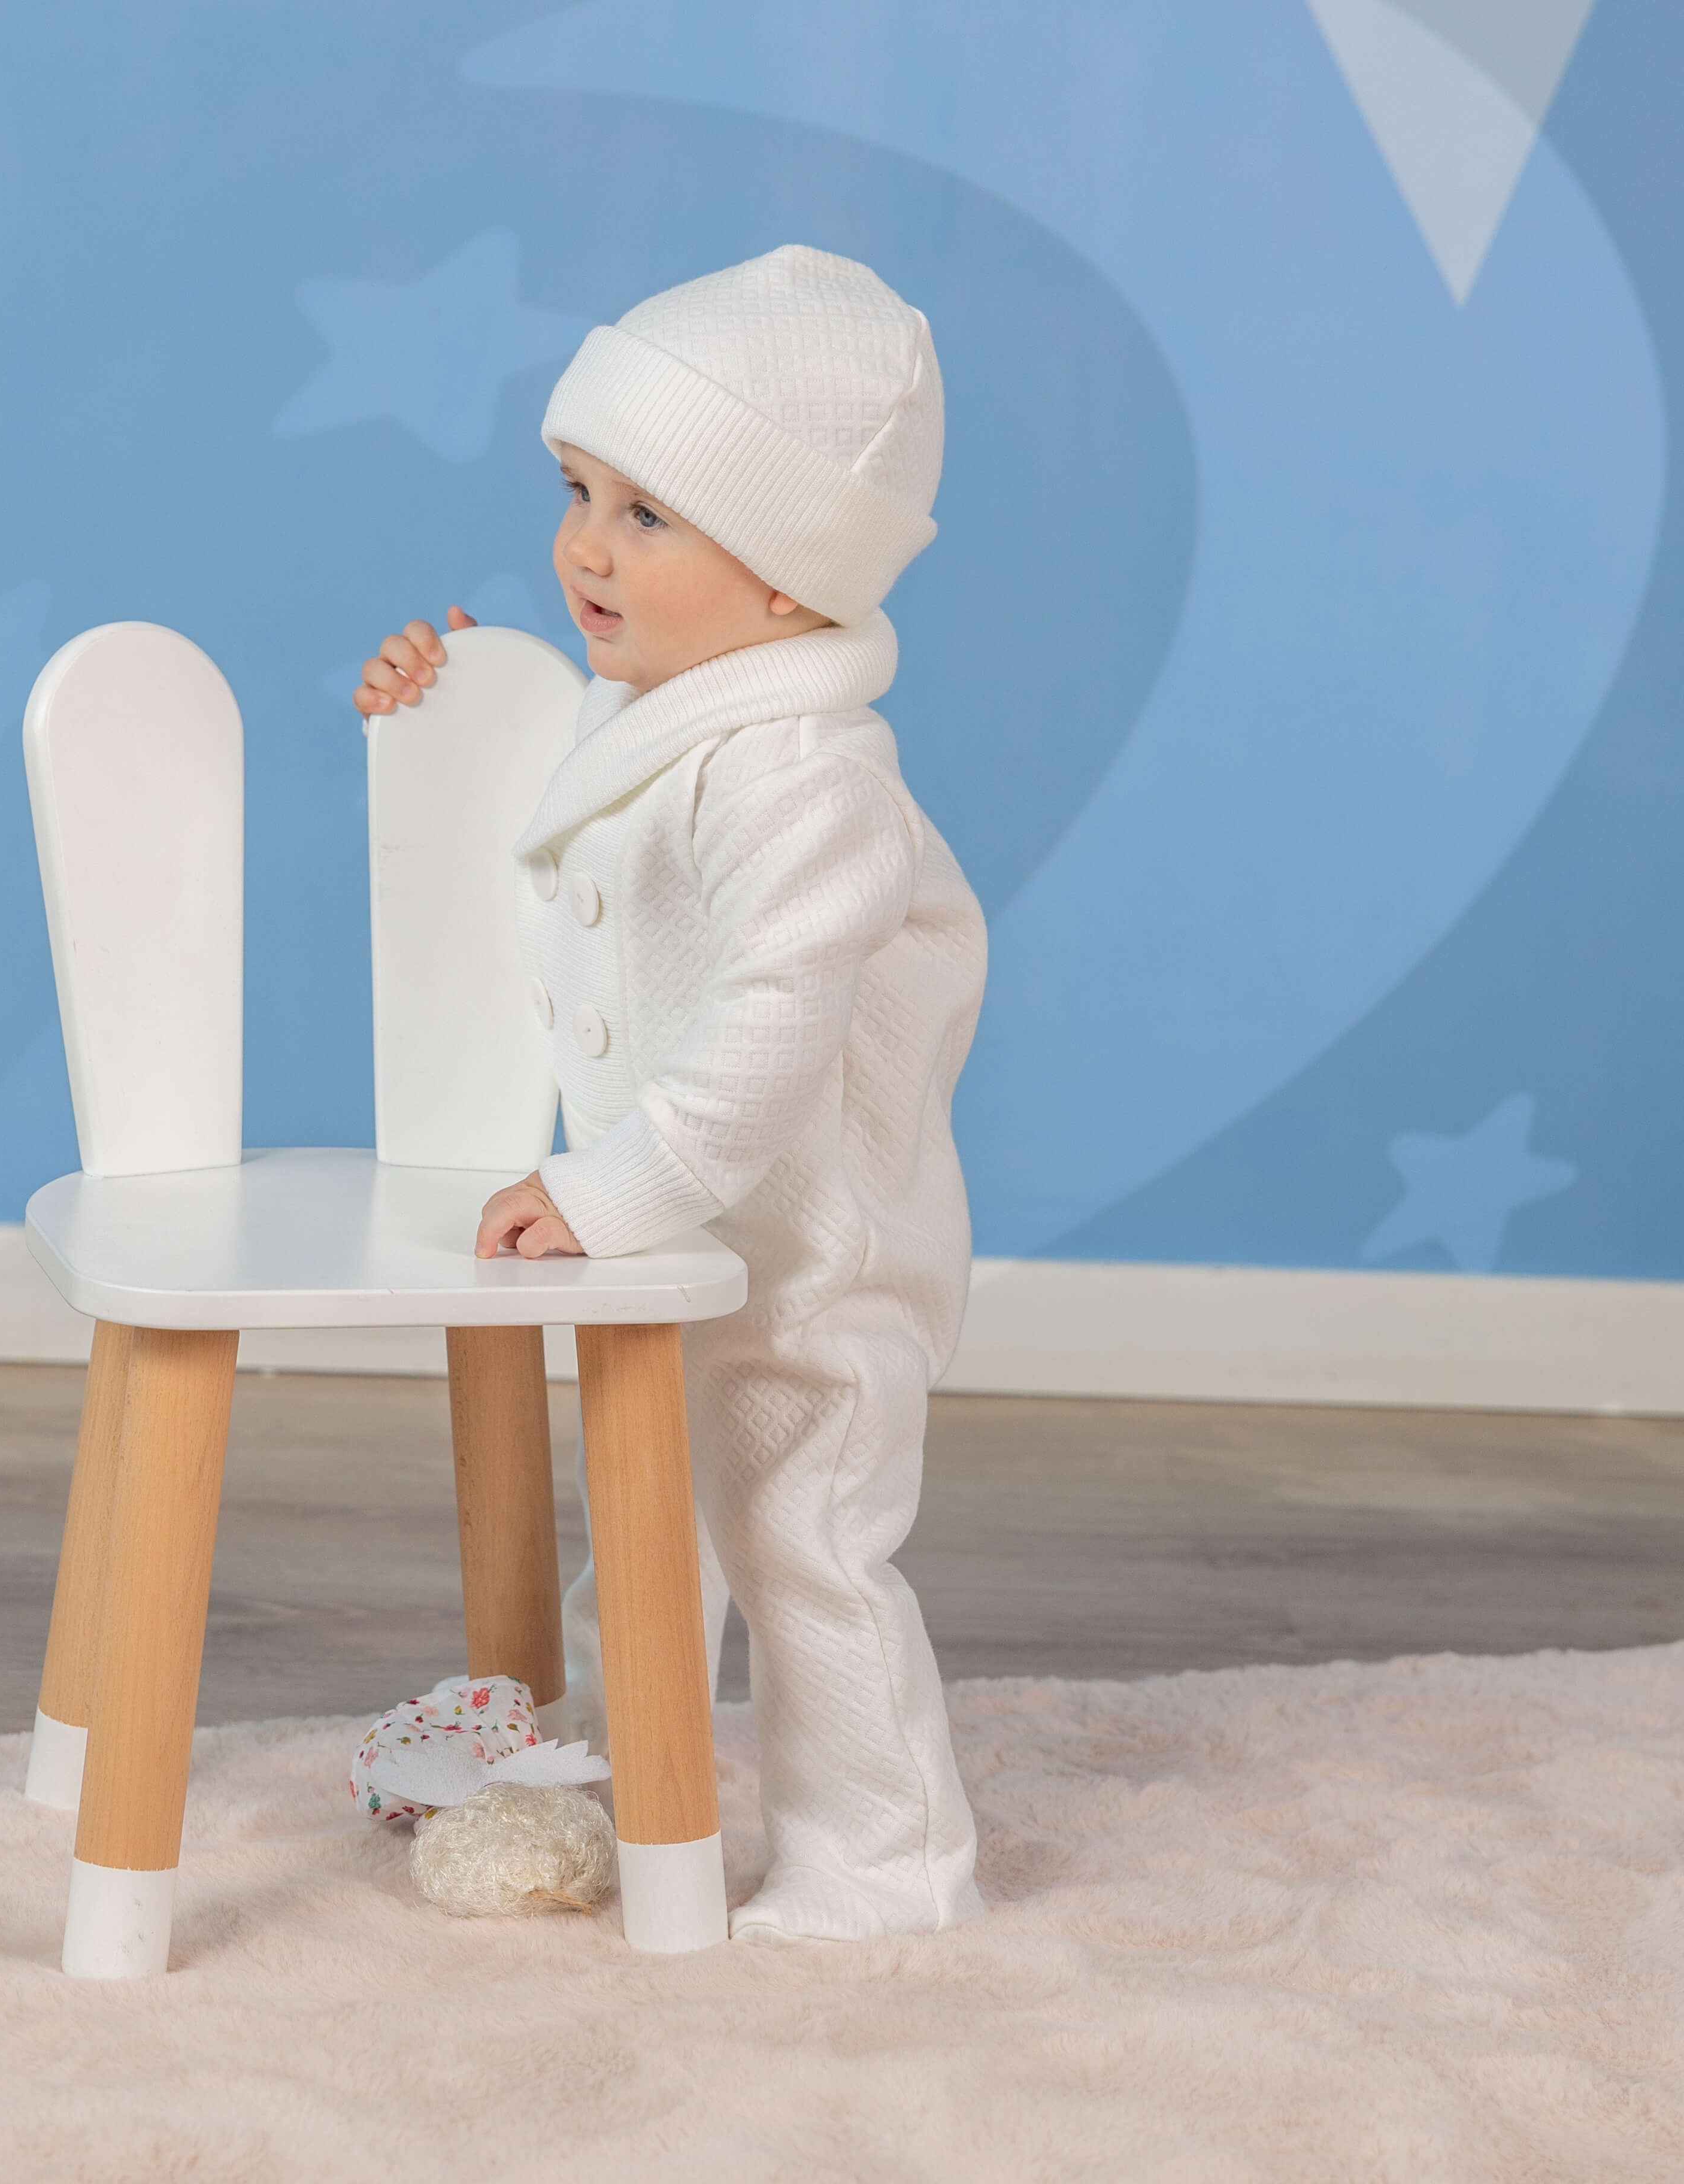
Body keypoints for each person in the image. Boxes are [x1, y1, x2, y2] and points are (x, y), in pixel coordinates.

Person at [353, 245, 988, 1943]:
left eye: (649, 517)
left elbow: (775, 1030)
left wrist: (611, 1191)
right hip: (698, 1238)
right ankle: (637, 1775)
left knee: (803, 1540)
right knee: (655, 1523)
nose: (583, 546)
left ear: (790, 579)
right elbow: (577, 848)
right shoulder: (676, 715)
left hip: (814, 1258)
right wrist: (460, 704)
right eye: (578, 491)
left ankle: (889, 1863)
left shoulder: (811, 774)